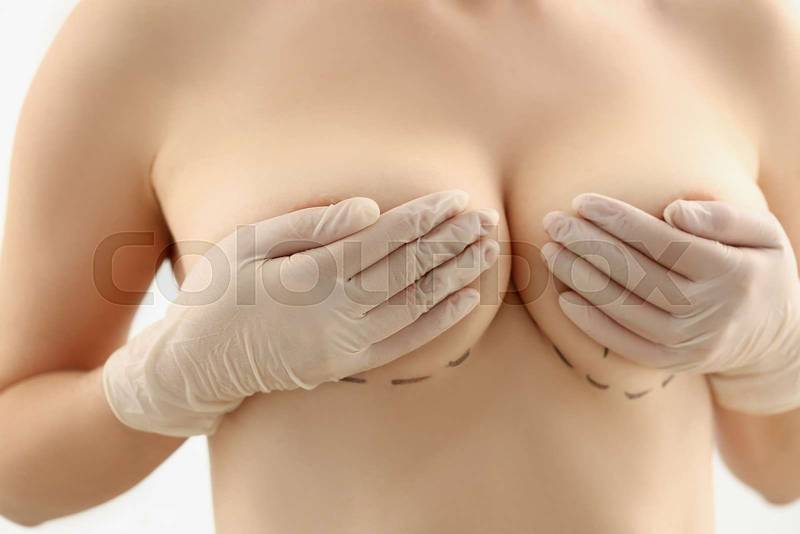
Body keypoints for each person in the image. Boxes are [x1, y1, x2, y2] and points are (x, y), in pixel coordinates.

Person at [1, 1, 799, 532]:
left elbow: (778, 469)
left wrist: (782, 358)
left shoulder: (734, 27)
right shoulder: (155, 30)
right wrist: (167, 384)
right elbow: (14, 476)